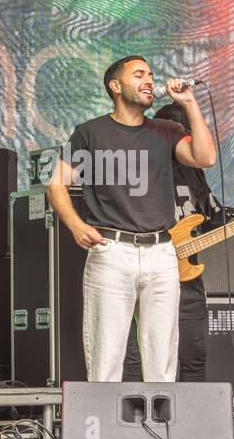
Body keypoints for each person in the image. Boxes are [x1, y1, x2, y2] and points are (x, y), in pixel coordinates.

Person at [47, 56, 217, 382]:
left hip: (161, 251)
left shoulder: (166, 131)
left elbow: (205, 157)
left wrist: (190, 103)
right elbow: (57, 184)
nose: (149, 80)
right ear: (116, 86)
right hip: (112, 250)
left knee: (162, 356)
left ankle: (160, 428)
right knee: (106, 355)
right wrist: (76, 224)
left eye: (151, 75)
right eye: (139, 74)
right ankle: (106, 431)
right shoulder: (90, 133)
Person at [123, 102, 234, 381]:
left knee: (193, 359)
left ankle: (192, 423)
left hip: (187, 285)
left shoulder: (194, 173)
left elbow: (213, 217)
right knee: (138, 362)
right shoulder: (137, 172)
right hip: (145, 280)